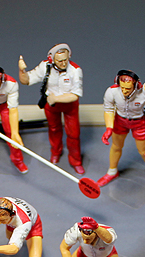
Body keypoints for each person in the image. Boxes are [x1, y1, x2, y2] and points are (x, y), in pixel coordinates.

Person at [18, 43, 84, 174]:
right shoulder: (45, 66)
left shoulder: (75, 70)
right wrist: (22, 71)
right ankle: (55, 152)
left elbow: (75, 95)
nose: (63, 63)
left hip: (69, 105)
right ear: (52, 59)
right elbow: (26, 80)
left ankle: (76, 160)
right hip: (51, 105)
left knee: (73, 134)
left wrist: (56, 98)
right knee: (53, 129)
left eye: (65, 59)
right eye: (60, 61)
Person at [97, 57, 145, 188]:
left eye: (128, 88)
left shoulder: (142, 93)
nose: (124, 91)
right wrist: (109, 128)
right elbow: (108, 109)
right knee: (116, 146)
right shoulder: (112, 92)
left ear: (135, 85)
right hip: (120, 121)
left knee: (144, 151)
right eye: (122, 88)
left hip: (139, 122)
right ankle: (112, 171)